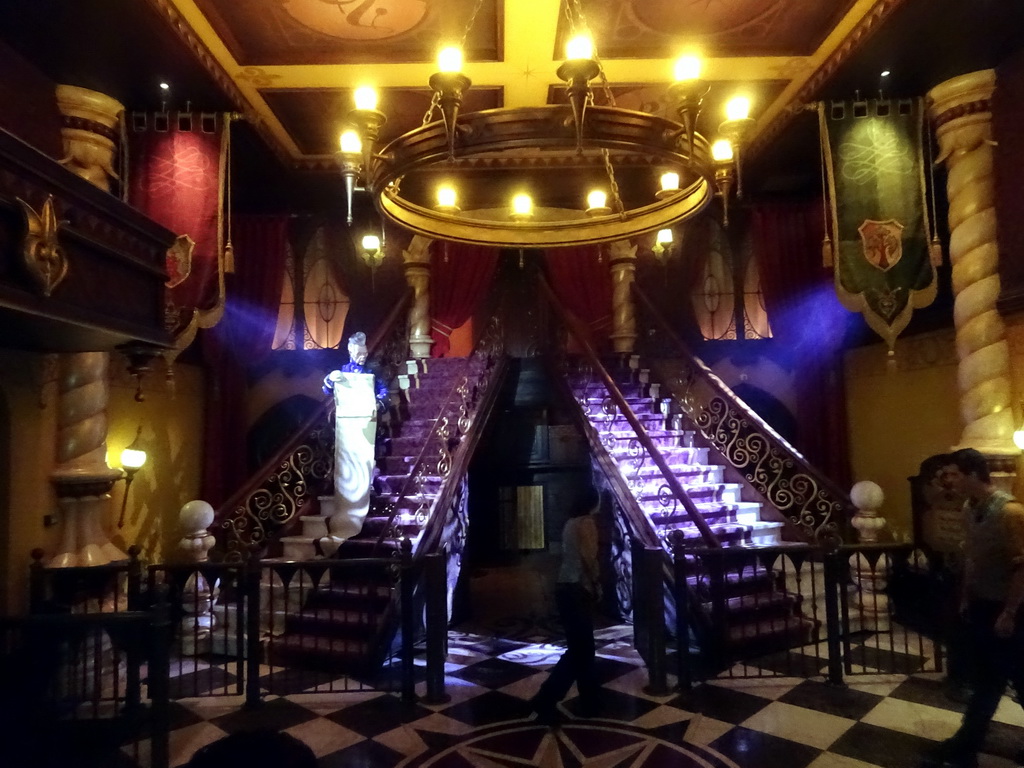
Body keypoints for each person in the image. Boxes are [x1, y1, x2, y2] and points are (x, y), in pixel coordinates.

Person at [924, 448, 1024, 768]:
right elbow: (972, 558)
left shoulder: (1010, 513)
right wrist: (967, 597)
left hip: (1013, 612)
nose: (945, 481)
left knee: (1020, 679)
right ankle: (966, 744)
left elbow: (1022, 568)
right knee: (986, 680)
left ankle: (965, 743)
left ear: (971, 475)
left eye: (951, 474)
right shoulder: (970, 509)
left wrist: (1010, 612)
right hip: (982, 607)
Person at [530, 486, 603, 726]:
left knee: (581, 649)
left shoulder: (570, 523)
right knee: (582, 650)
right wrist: (596, 583)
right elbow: (588, 558)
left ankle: (588, 700)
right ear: (592, 502)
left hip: (564, 587)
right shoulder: (587, 523)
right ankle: (548, 697)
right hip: (577, 589)